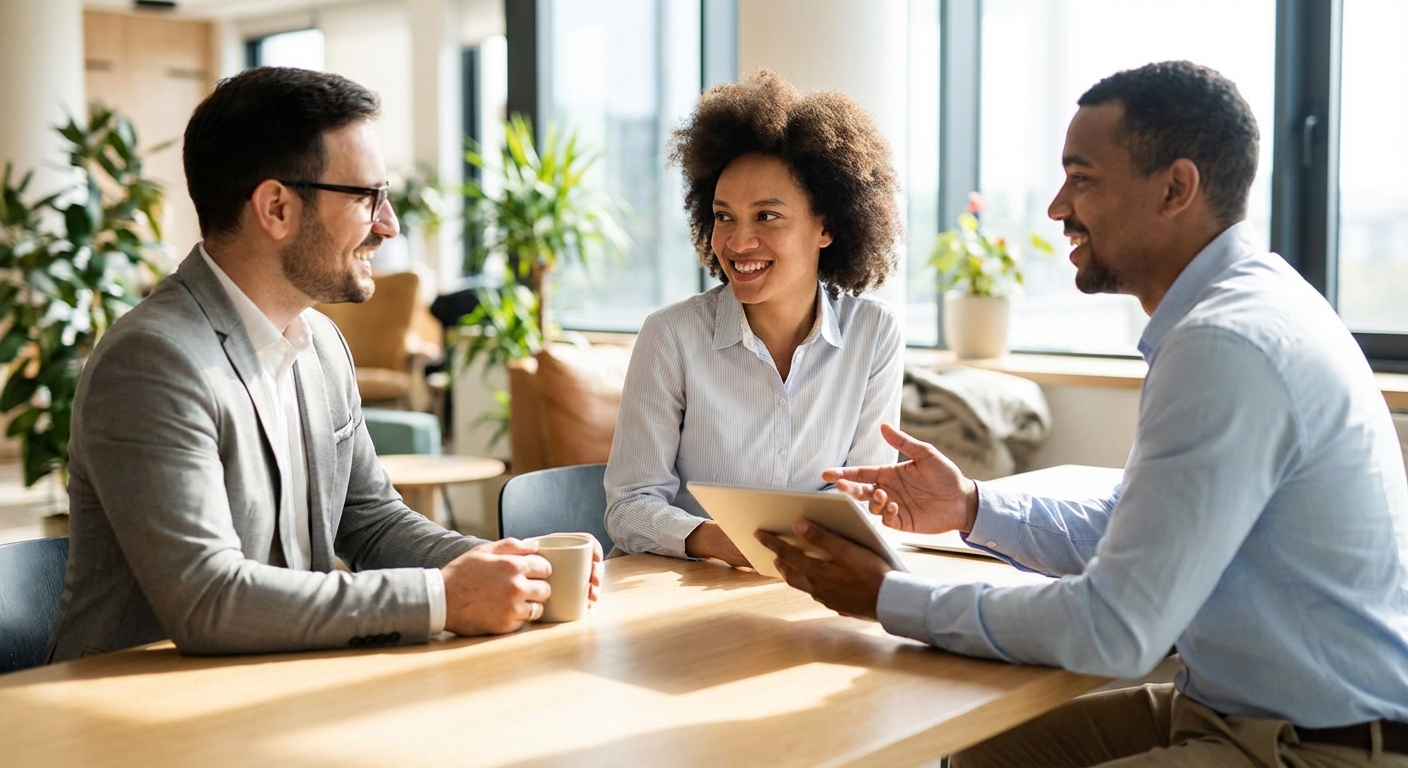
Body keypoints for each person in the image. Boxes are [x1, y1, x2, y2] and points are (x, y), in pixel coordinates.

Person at [759, 60, 1408, 767]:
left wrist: (890, 596)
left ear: (1175, 188)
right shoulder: (1238, 310)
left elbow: (1114, 627)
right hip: (1227, 710)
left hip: (1320, 748)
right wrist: (972, 507)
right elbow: (1138, 528)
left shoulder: (1226, 344)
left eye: (1083, 178)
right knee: (975, 757)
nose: (1057, 206)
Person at [45, 67, 601, 662]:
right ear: (277, 208)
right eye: (367, 197)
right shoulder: (153, 361)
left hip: (278, 683)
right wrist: (441, 597)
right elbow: (207, 600)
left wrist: (509, 566)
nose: (387, 225)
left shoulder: (322, 344)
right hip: (132, 716)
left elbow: (373, 523)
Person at [603, 70, 905, 566]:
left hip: (802, 587)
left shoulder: (874, 334)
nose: (738, 242)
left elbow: (864, 495)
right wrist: (731, 542)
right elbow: (630, 506)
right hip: (679, 589)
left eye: (767, 216)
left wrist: (785, 552)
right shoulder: (671, 336)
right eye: (724, 216)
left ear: (826, 225)